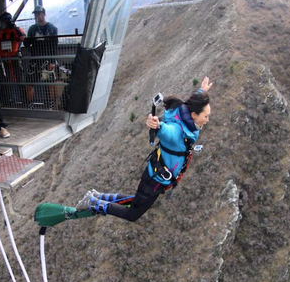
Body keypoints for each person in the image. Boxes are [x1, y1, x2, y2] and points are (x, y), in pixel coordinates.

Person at [76, 77, 213, 221]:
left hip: (156, 176)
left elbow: (191, 106)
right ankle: (92, 202)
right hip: (155, 180)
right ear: (193, 115)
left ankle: (98, 197)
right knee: (132, 214)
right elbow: (166, 130)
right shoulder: (177, 131)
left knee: (135, 201)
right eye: (206, 116)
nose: (207, 120)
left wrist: (202, 91)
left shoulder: (188, 120)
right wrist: (156, 125)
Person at [24, 5, 59, 108]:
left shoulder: (52, 28)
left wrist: (52, 61)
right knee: (29, 83)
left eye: (40, 14)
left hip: (47, 60)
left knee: (50, 83)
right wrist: (24, 39)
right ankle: (30, 105)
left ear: (44, 14)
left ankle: (51, 104)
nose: (38, 16)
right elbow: (27, 45)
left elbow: (54, 45)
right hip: (35, 60)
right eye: (36, 14)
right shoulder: (32, 29)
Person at [0, 12, 26, 106]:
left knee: (20, 79)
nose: (6, 23)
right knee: (4, 81)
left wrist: (14, 28)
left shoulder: (16, 29)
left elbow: (23, 37)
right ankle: (6, 101)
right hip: (3, 60)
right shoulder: (0, 31)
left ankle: (25, 102)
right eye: (5, 21)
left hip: (15, 58)